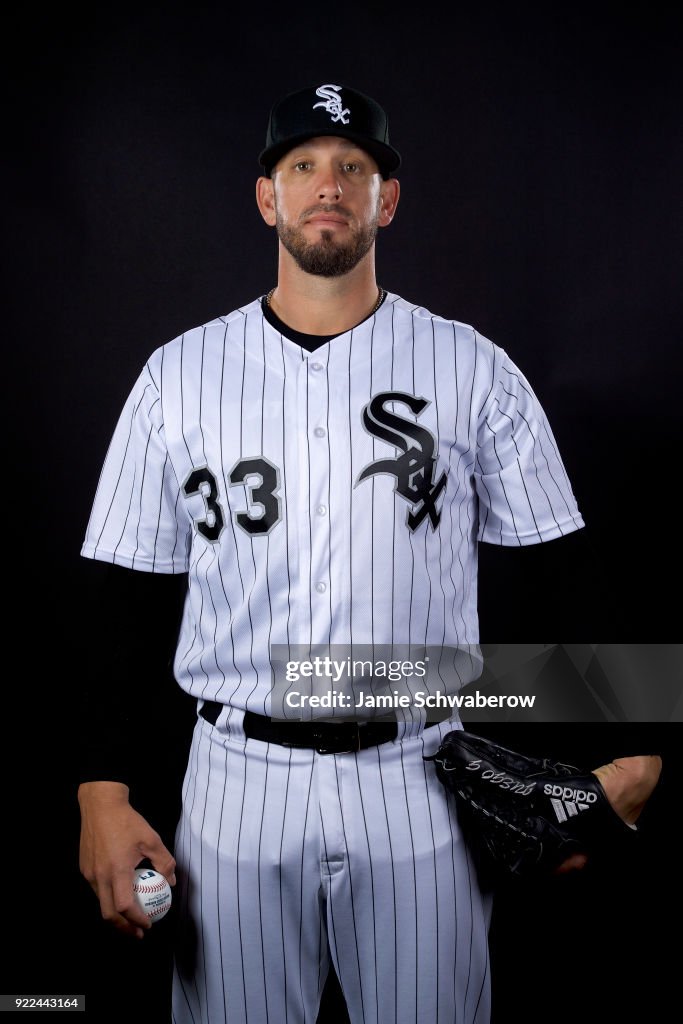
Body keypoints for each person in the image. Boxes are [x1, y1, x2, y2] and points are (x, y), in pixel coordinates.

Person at [77, 83, 662, 1024]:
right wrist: (100, 794)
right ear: (266, 197)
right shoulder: (175, 375)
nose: (328, 185)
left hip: (419, 776)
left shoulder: (470, 366)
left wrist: (638, 755)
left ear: (387, 200)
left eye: (355, 166)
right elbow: (120, 601)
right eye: (302, 164)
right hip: (232, 781)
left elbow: (568, 570)